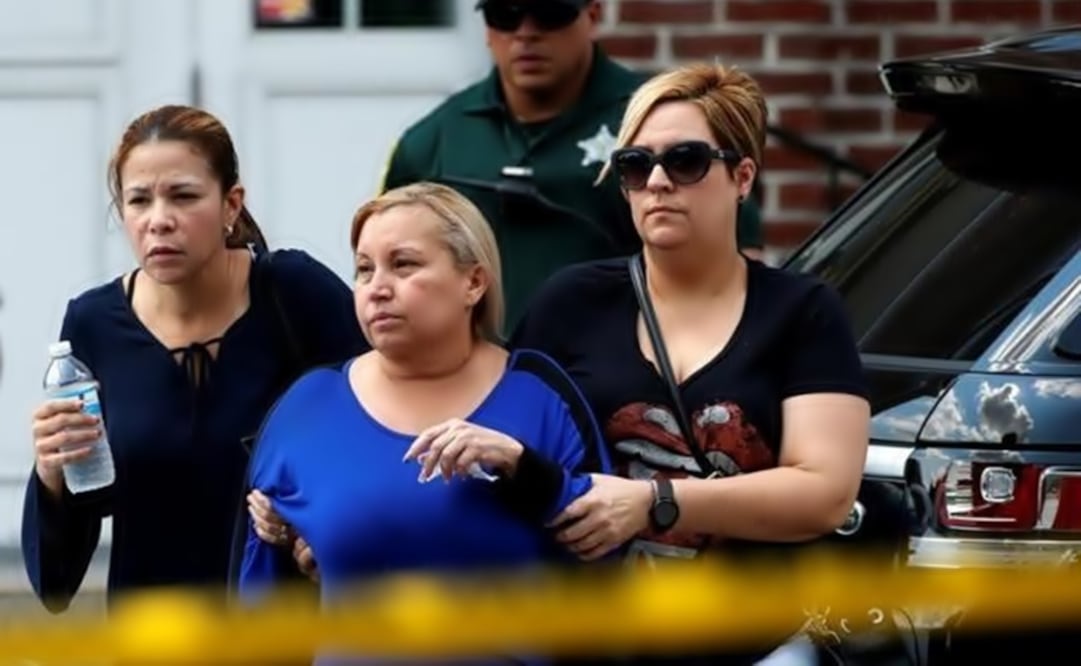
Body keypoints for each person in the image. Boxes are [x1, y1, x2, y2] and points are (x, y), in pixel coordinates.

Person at [509, 63, 871, 663]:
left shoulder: (803, 311)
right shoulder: (569, 303)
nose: (657, 182)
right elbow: (504, 448)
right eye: (635, 165)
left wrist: (655, 501)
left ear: (743, 176)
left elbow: (825, 493)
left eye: (686, 161)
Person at [237, 182, 611, 664]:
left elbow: (607, 558)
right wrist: (288, 544)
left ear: (473, 283)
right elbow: (259, 607)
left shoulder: (538, 393)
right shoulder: (305, 408)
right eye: (365, 269)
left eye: (404, 264)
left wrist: (524, 470)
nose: (378, 288)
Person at [21, 104, 368, 613]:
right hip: (155, 636)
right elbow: (57, 580)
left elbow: (376, 434)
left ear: (231, 205)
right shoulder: (92, 324)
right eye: (139, 201)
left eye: (183, 196)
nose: (159, 221)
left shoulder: (295, 294)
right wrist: (53, 475)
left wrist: (317, 524)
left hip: (285, 634)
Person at [379, 0, 765, 328]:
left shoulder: (661, 124)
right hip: (472, 379)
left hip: (629, 374)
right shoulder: (435, 140)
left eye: (550, 13)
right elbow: (384, 269)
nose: (526, 33)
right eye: (504, 14)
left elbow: (735, 263)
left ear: (592, 14)